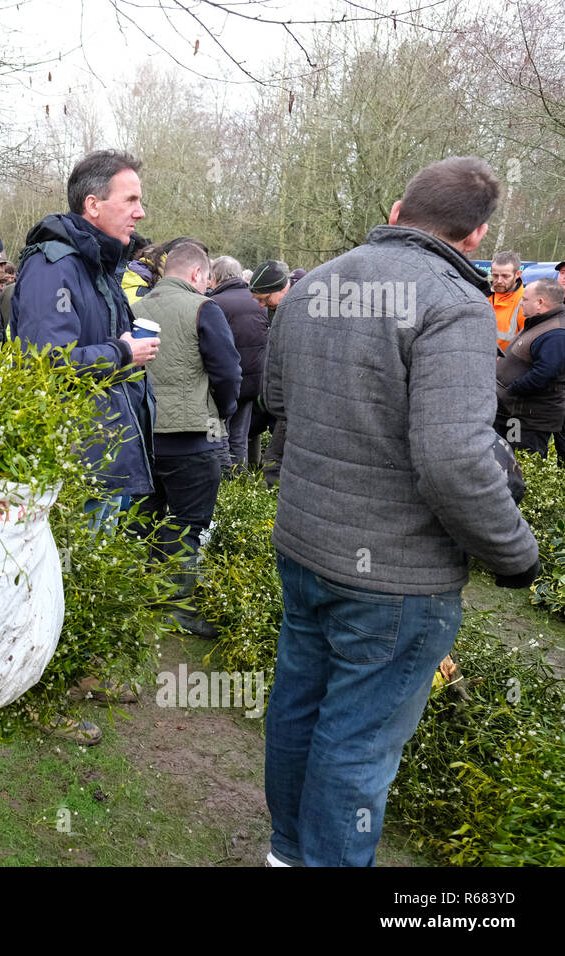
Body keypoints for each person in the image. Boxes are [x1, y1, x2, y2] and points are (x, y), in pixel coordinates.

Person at [262, 155, 540, 868]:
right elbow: (453, 456)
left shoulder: (312, 284)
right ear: (476, 235)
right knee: (356, 745)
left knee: (299, 710)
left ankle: (287, 855)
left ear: (394, 209)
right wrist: (515, 554)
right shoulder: (453, 303)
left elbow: (280, 414)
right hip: (394, 577)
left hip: (305, 548)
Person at [13, 149, 160, 743]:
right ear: (92, 204)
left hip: (109, 449)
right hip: (77, 457)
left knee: (89, 575)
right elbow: (42, 364)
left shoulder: (99, 265)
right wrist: (122, 354)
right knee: (60, 579)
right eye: (131, 200)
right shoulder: (54, 266)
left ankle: (83, 673)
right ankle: (41, 696)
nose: (141, 212)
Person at [133, 241, 241, 639]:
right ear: (198, 275)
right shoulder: (202, 308)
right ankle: (177, 609)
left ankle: (136, 598)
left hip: (143, 439)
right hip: (193, 439)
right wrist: (221, 412)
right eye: (207, 279)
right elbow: (228, 372)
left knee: (142, 520)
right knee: (186, 525)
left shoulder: (135, 308)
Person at [208, 255, 268, 473]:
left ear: (216, 276)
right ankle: (240, 484)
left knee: (215, 433)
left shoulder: (214, 304)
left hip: (221, 386)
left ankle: (222, 482)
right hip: (252, 384)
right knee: (240, 436)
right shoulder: (258, 301)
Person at [495, 278, 565, 457]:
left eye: (525, 299)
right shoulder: (541, 323)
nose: (521, 303)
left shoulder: (555, 333)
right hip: (515, 415)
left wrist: (511, 390)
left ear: (540, 302)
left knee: (521, 468)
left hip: (527, 421)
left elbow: (545, 373)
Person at [248, 260, 291, 487]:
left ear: (280, 289)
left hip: (289, 401)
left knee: (275, 461)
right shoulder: (278, 310)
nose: (263, 305)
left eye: (265, 299)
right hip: (274, 396)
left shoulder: (295, 310)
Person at [488, 251, 525, 354]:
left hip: (505, 365)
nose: (499, 281)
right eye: (495, 275)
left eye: (505, 276)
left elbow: (528, 343)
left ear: (518, 274)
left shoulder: (526, 301)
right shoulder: (481, 294)